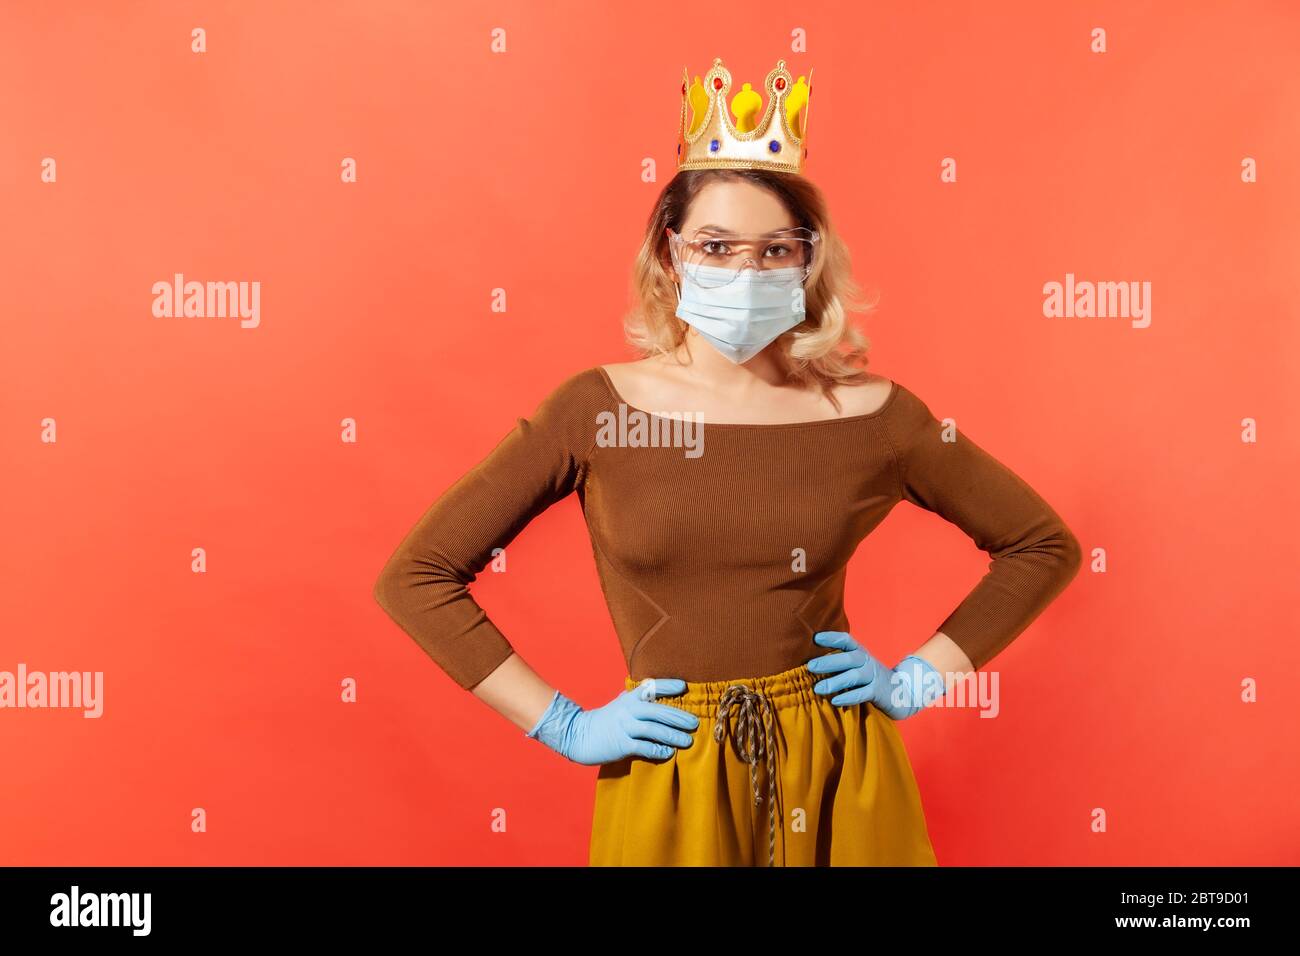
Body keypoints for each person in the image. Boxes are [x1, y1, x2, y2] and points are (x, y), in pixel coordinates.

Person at [372, 56, 1083, 866]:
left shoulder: (874, 415)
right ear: (670, 255)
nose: (747, 272)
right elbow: (417, 574)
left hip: (841, 768)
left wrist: (917, 679)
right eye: (717, 246)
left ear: (809, 262)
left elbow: (1041, 544)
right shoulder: (595, 411)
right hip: (669, 771)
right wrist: (564, 724)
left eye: (776, 250)